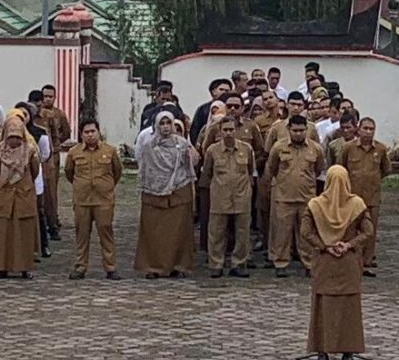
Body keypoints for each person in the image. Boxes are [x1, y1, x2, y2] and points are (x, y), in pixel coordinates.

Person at [300, 163, 372, 360]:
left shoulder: (315, 205)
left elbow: (306, 231)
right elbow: (368, 232)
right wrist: (348, 244)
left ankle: (322, 354)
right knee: (349, 310)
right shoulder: (357, 205)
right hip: (347, 262)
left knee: (323, 308)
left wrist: (324, 245)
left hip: (325, 262)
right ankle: (347, 356)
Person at [133, 111, 199, 278]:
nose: (165, 127)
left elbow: (192, 163)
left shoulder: (183, 144)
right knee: (154, 231)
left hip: (179, 189)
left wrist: (189, 155)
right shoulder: (149, 146)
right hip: (154, 192)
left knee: (178, 230)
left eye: (168, 123)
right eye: (161, 124)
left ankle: (178, 265)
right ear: (156, 126)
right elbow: (144, 167)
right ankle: (154, 267)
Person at [263, 114, 322, 277]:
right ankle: (280, 263)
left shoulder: (315, 148)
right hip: (284, 197)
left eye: (302, 130)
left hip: (307, 197)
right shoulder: (279, 147)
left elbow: (318, 168)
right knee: (281, 233)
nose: (298, 134)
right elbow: (272, 168)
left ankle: (310, 264)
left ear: (307, 130)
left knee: (307, 234)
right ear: (289, 129)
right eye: (295, 130)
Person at [65, 119, 123, 280]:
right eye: (86, 132)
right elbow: (69, 173)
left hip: (104, 200)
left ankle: (110, 267)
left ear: (99, 132)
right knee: (81, 234)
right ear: (81, 134)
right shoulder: (74, 152)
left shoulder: (110, 151)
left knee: (106, 231)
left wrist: (106, 186)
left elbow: (117, 172)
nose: (90, 135)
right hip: (82, 200)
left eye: (93, 131)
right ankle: (80, 266)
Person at [202, 110, 257, 277]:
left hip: (241, 195)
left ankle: (239, 263)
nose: (228, 133)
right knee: (217, 232)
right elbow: (208, 171)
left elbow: (250, 170)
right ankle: (216, 264)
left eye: (231, 129)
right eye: (225, 129)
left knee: (242, 232)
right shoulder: (212, 150)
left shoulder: (246, 149)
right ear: (220, 130)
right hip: (220, 195)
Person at [333, 117, 390, 275]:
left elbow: (386, 170)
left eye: (371, 129)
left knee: (369, 230)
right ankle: (350, 259)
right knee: (350, 230)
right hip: (351, 197)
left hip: (372, 197)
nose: (368, 132)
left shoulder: (381, 149)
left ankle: (367, 261)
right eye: (365, 128)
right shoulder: (348, 148)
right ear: (358, 129)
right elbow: (340, 169)